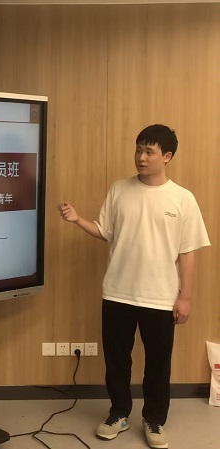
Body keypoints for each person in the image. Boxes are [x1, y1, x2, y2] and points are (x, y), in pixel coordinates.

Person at [58, 124, 210, 449]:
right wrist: (78, 219)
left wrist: (185, 297)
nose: (141, 157)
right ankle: (118, 413)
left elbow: (188, 251)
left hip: (160, 297)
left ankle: (154, 419)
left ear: (167, 157)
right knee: (116, 361)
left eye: (149, 151)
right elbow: (105, 232)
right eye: (138, 149)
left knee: (158, 365)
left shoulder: (183, 198)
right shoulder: (119, 189)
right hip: (117, 292)